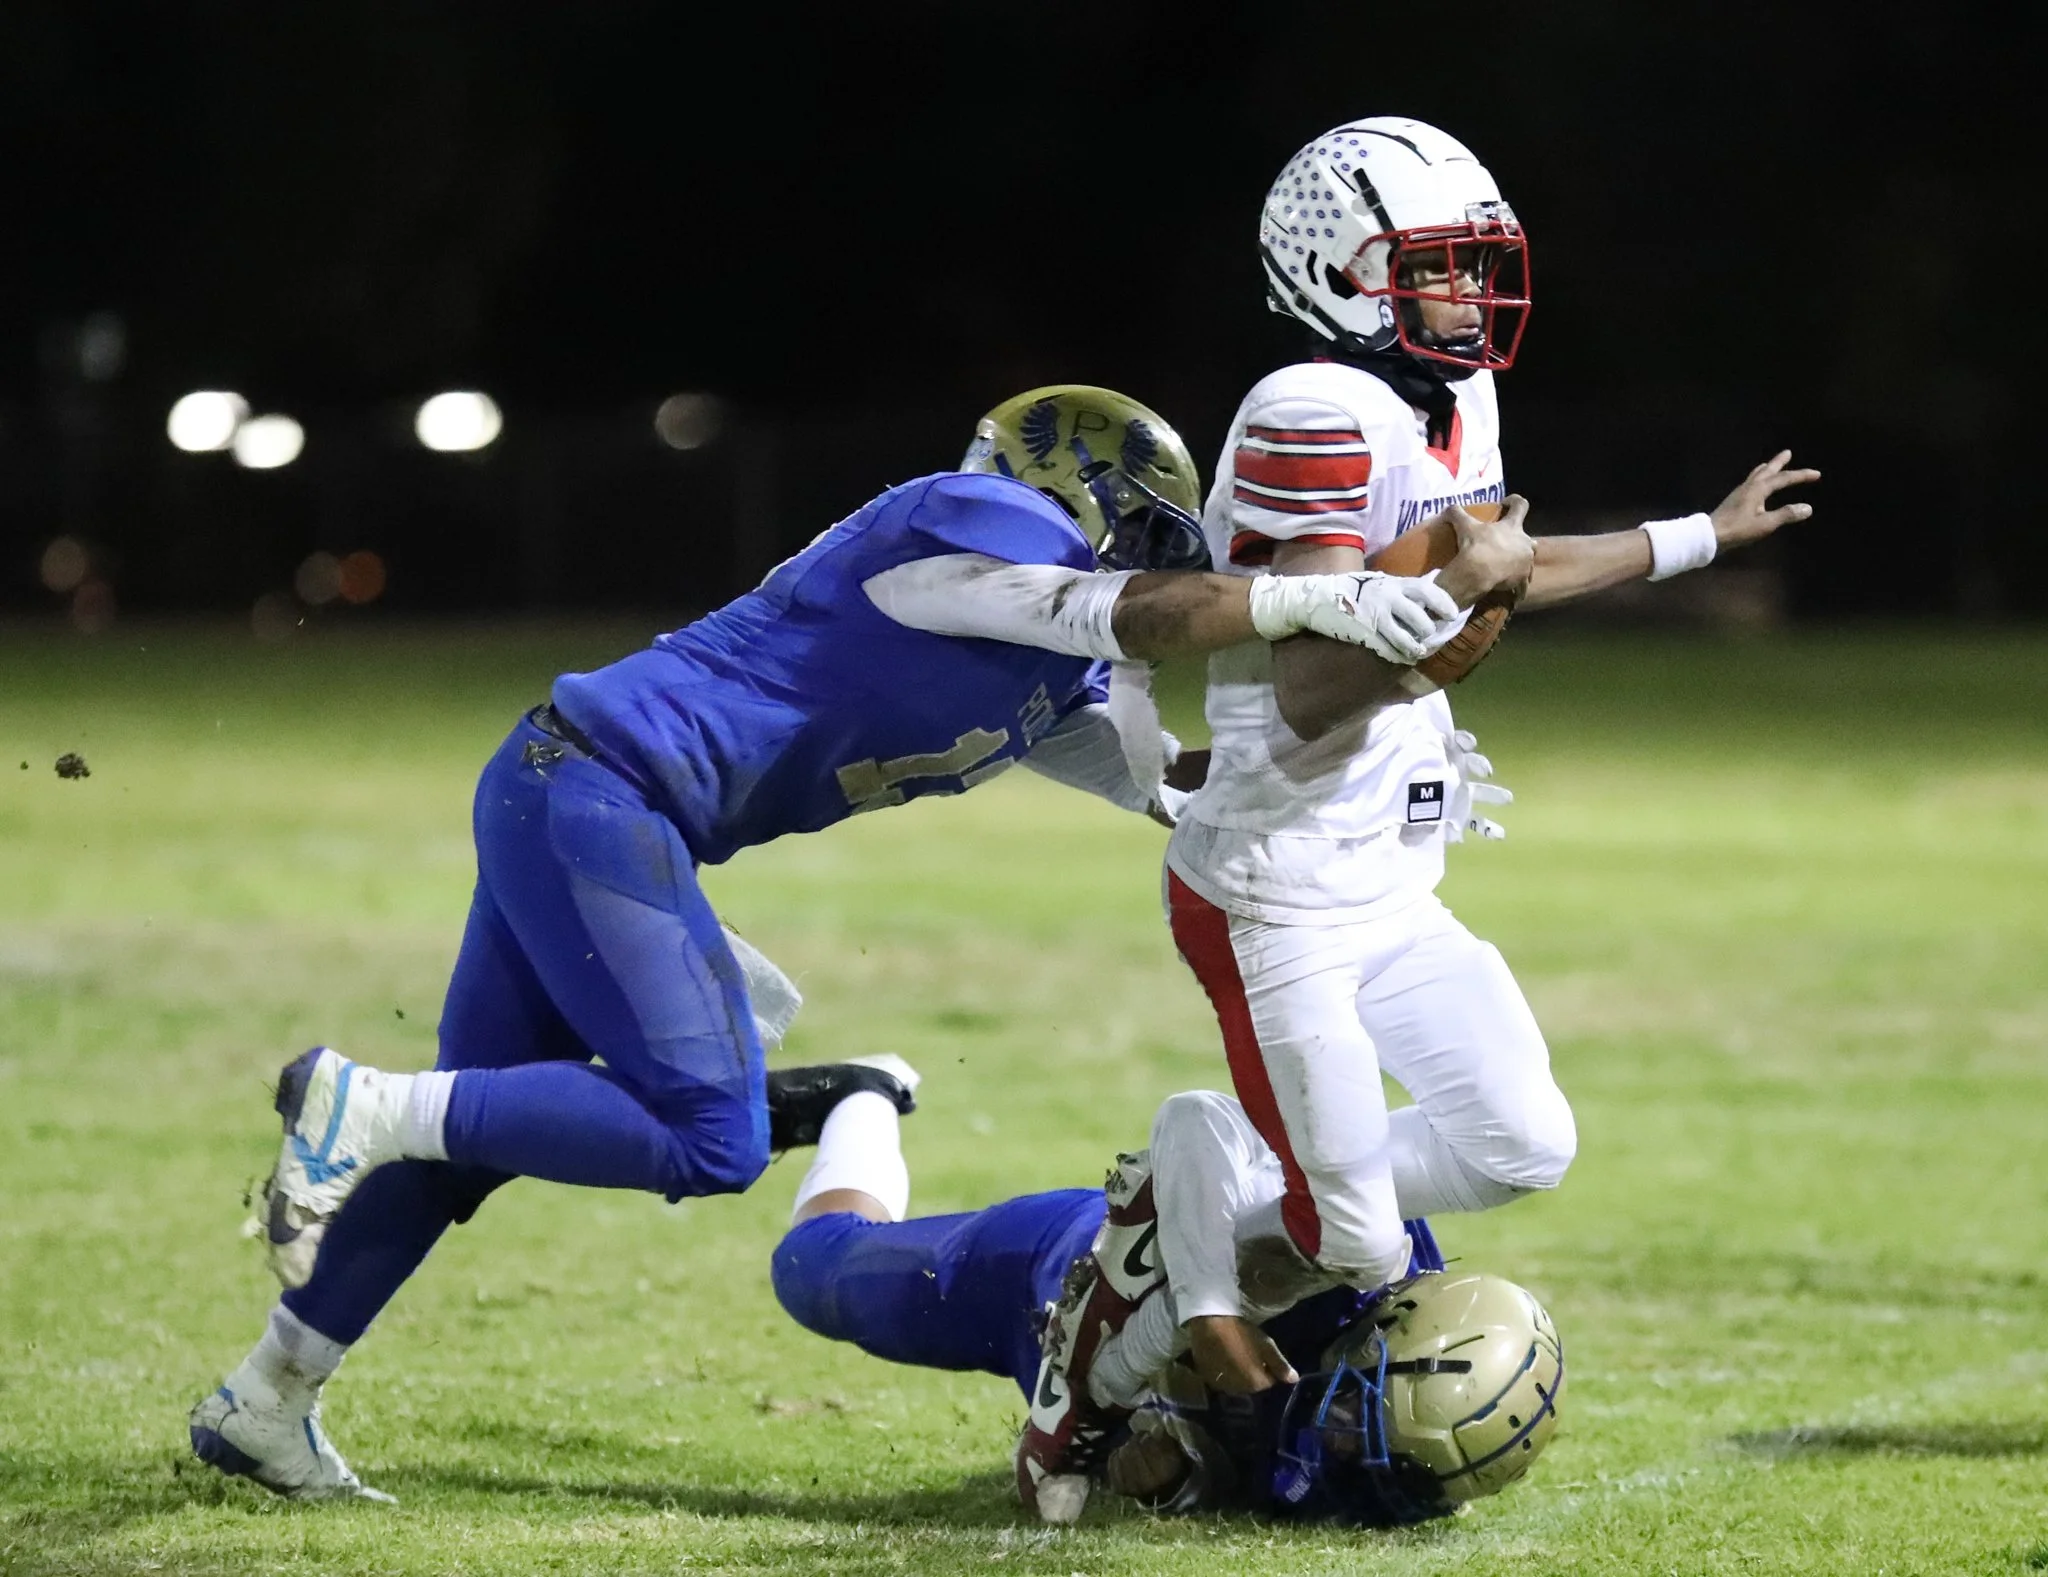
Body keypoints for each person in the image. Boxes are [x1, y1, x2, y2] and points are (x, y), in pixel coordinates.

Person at [188, 383, 1533, 1501]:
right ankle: (357, 1100)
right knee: (709, 1138)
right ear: (1106, 503)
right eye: (1155, 536)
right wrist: (1304, 604)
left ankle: (265, 1401)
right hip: (601, 792)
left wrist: (1379, 756)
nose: (1168, 562)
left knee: (463, 1141)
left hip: (581, 798)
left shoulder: (1051, 664)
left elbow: (1169, 779)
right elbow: (1104, 611)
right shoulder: (974, 524)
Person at [1160, 117, 1821, 1312]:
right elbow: (1307, 690)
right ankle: (1143, 1308)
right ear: (1336, 273)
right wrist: (1446, 611)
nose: (1468, 291)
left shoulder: (1458, 393)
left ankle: (1212, 1210)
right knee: (1354, 1242)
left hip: (1387, 874)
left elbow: (1503, 561)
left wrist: (1697, 536)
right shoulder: (1310, 406)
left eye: (1474, 261)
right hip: (1274, 886)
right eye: (1435, 266)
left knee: (1520, 1141)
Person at [771, 1076, 1563, 1525]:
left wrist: (1177, 1474)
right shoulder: (1336, 1245)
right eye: (1358, 1416)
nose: (1345, 1447)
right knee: (810, 1268)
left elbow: (1256, 1470)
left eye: (1397, 1461)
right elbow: (1190, 1140)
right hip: (1056, 1268)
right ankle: (862, 1095)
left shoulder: (1391, 1464)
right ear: (1383, 1326)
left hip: (1097, 1384)